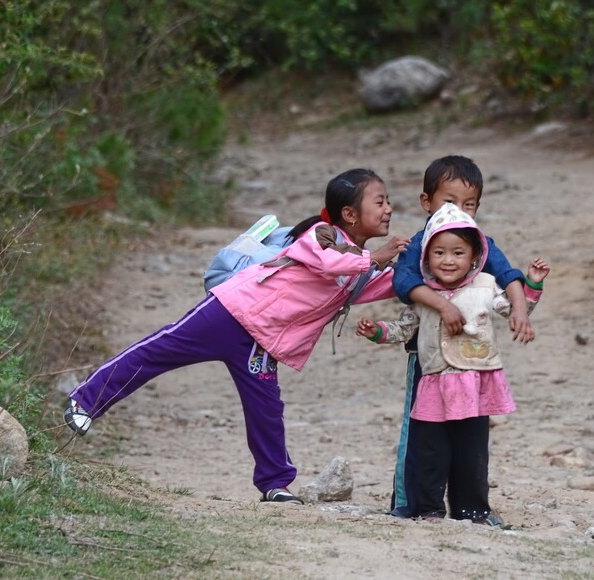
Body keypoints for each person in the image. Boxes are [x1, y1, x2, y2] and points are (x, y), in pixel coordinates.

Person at [63, 168, 410, 504]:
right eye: (379, 202)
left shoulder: (362, 269)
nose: (388, 209)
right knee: (159, 350)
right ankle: (85, 402)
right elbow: (328, 263)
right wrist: (374, 258)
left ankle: (275, 483)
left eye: (388, 201)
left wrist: (434, 268)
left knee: (266, 408)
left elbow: (396, 283)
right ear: (349, 214)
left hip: (262, 342)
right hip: (231, 311)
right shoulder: (322, 235)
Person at [357, 203, 548, 526]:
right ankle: (429, 509)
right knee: (431, 450)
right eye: (440, 253)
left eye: (458, 253)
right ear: (426, 258)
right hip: (434, 384)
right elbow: (403, 328)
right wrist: (377, 332)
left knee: (472, 451)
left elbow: (514, 309)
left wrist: (533, 285)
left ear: (474, 257)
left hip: (475, 384)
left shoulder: (486, 286)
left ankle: (472, 509)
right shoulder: (422, 295)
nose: (448, 260)